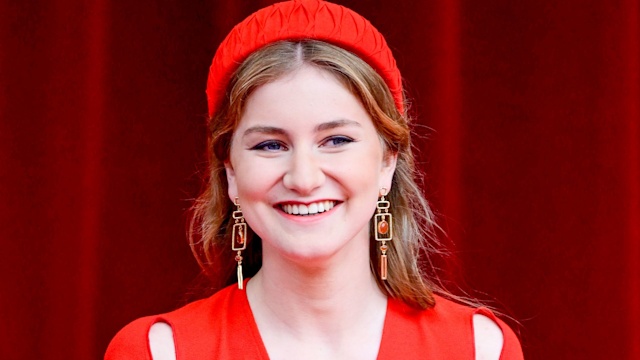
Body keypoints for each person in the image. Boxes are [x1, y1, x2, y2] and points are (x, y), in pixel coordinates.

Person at [105, 0, 524, 359]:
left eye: (336, 140)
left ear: (388, 163)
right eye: (270, 145)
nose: (303, 178)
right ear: (230, 172)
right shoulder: (161, 351)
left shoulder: (477, 348)